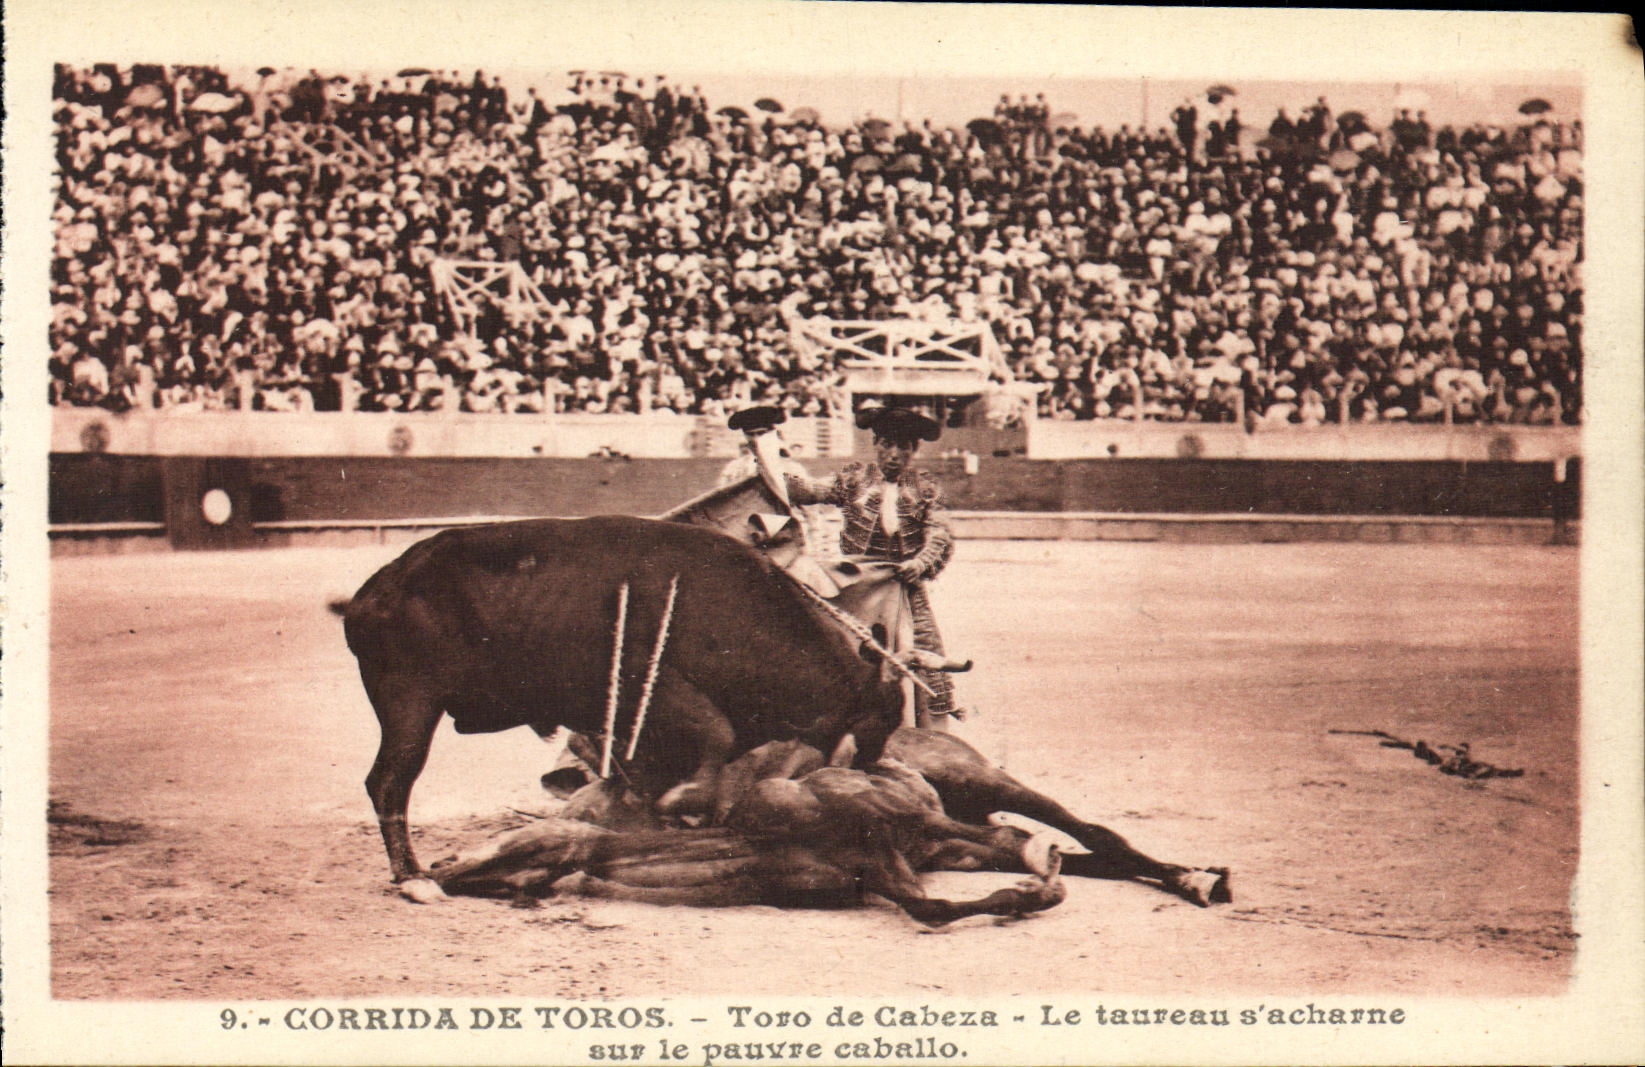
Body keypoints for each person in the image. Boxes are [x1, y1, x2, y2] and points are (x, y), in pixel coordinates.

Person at [784, 405, 961, 726]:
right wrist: (767, 460)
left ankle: (928, 731)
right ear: (876, 445)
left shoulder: (926, 488)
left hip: (904, 586)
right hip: (857, 583)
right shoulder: (855, 479)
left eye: (903, 447)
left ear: (914, 450)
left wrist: (920, 563)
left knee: (925, 654)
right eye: (887, 445)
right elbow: (810, 490)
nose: (894, 455)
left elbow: (940, 533)